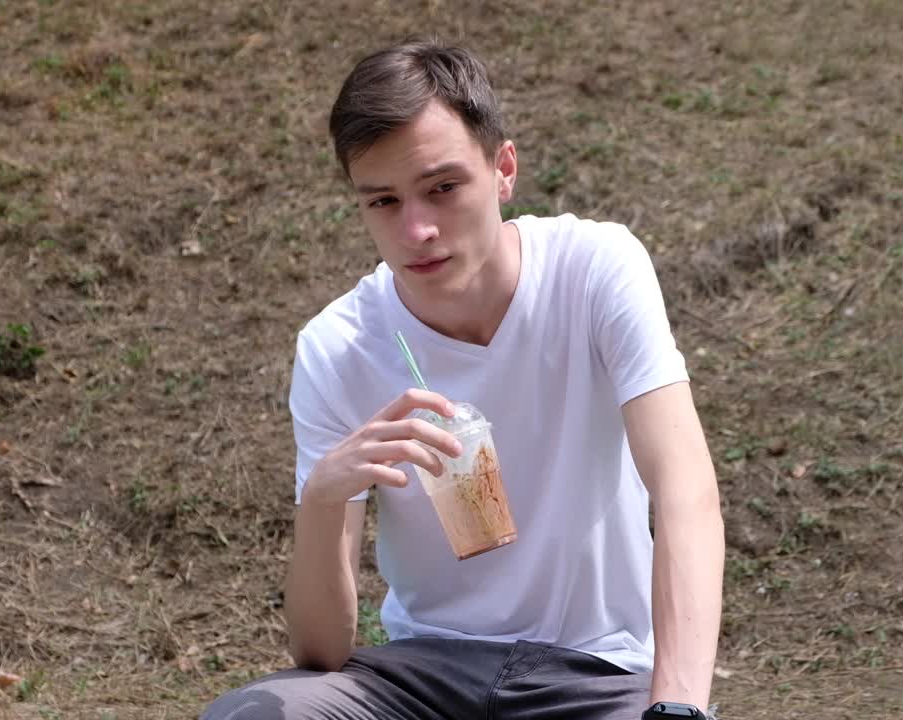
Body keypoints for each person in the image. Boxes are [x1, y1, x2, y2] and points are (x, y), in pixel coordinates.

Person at [202, 39, 725, 720]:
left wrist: (677, 707)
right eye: (383, 201)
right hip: (422, 678)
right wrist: (326, 497)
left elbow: (686, 490)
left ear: (503, 169)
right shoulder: (339, 348)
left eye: (442, 188)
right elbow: (320, 651)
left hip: (599, 675)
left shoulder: (595, 271)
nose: (416, 229)